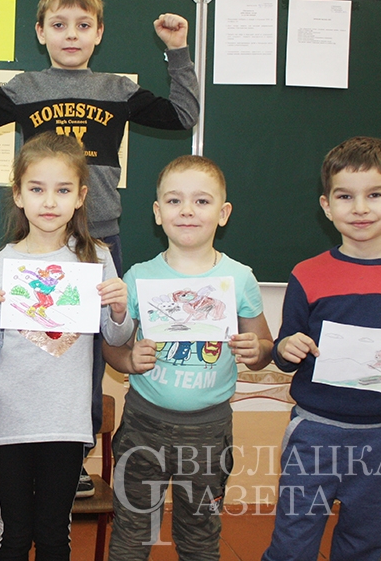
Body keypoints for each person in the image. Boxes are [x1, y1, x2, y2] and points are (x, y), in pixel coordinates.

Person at [0, 0, 200, 495]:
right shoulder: (26, 86)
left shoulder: (118, 88)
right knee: (28, 344)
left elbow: (183, 116)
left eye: (83, 25)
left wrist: (178, 51)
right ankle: (18, 440)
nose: (71, 35)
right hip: (39, 242)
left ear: (99, 33)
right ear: (41, 33)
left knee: (91, 354)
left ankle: (76, 451)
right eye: (59, 25)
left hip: (97, 240)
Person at [262, 137, 381, 561]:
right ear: (327, 206)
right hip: (314, 431)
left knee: (363, 543)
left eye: (375, 195)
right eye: (345, 196)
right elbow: (284, 350)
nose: (360, 208)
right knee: (293, 543)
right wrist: (287, 346)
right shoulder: (307, 274)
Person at [0, 132, 135, 561]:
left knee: (54, 536)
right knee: (13, 536)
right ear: (18, 195)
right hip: (11, 423)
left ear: (80, 197)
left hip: (67, 423)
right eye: (37, 189)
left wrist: (120, 311)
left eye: (62, 190)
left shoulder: (96, 258)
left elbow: (116, 339)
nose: (49, 201)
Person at [103, 155, 274, 560]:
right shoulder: (138, 278)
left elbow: (265, 346)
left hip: (209, 431)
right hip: (143, 424)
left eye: (201, 201)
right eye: (174, 201)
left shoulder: (240, 278)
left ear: (223, 213)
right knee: (131, 534)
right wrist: (129, 361)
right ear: (157, 213)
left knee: (199, 536)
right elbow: (112, 345)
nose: (187, 211)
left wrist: (257, 351)